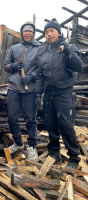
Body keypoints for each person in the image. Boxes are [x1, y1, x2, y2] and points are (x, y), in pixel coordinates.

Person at [36, 18, 84, 169]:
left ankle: (74, 158)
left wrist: (68, 50)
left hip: (64, 92)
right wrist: (38, 94)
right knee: (50, 124)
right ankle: (54, 154)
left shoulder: (68, 46)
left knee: (66, 125)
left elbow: (79, 66)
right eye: (46, 32)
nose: (48, 34)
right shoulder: (42, 50)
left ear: (59, 32)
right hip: (49, 94)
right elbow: (40, 74)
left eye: (52, 31)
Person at [4, 21, 42, 161]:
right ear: (22, 33)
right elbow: (6, 66)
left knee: (30, 119)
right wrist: (14, 65)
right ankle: (18, 142)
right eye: (25, 31)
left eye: (30, 31)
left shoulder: (39, 48)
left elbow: (41, 68)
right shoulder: (14, 48)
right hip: (14, 86)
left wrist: (31, 77)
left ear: (33, 33)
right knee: (12, 117)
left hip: (30, 88)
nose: (27, 33)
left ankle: (32, 147)